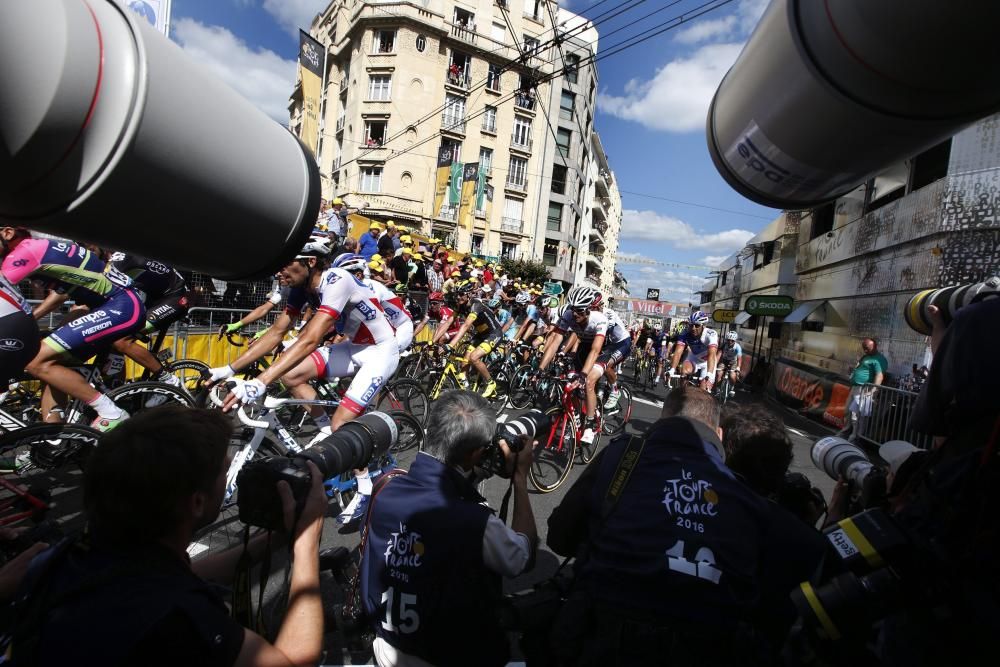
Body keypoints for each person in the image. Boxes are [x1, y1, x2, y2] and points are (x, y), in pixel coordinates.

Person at [8, 405, 327, 666]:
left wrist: (279, 538)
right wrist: (306, 541)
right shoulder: (179, 620)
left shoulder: (65, 555)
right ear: (197, 502)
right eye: (222, 473)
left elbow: (174, 576)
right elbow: (296, 660)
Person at [547, 387, 800, 666]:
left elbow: (560, 538)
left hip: (602, 632)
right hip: (704, 644)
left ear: (661, 421)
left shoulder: (623, 456)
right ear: (719, 436)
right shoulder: (749, 500)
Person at [360, 391, 537, 667]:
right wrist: (520, 478)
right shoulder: (476, 523)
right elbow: (522, 556)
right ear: (474, 454)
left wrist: (471, 476)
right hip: (446, 655)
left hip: (386, 647)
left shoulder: (386, 487)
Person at [0, 228, 145, 431]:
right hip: (108, 305)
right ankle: (52, 439)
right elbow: (59, 296)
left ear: (7, 232)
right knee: (50, 365)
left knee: (37, 361)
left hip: (120, 305)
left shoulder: (25, 252)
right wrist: (30, 321)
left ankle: (112, 413)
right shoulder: (37, 247)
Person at [540, 285, 631, 444]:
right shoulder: (570, 315)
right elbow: (557, 339)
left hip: (616, 345)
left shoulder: (603, 317)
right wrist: (541, 368)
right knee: (571, 379)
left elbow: (596, 350)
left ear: (591, 308)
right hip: (591, 343)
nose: (575, 314)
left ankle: (591, 420)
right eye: (573, 309)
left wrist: (584, 374)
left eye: (580, 310)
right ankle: (576, 416)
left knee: (589, 379)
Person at [445, 281, 505, 398]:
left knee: (474, 357)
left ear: (468, 294)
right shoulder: (460, 306)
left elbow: (466, 325)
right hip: (481, 334)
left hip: (494, 333)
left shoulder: (476, 305)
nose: (458, 297)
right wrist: (433, 340)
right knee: (465, 359)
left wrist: (451, 345)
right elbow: (448, 322)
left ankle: (490, 383)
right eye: (457, 294)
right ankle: (465, 384)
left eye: (461, 294)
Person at [837, 337, 888, 443]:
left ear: (875, 346)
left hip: (864, 389)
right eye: (864, 348)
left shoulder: (879, 359)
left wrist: (873, 390)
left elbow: (879, 375)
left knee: (857, 415)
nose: (865, 350)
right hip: (855, 387)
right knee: (848, 411)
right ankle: (845, 432)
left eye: (867, 348)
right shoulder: (866, 356)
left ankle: (855, 437)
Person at [668, 310, 719, 391]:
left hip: (707, 362)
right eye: (691, 325)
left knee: (703, 390)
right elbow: (678, 352)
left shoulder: (711, 334)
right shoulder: (685, 333)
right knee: (684, 372)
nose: (693, 328)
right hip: (694, 358)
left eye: (697, 325)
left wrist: (709, 374)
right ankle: (684, 394)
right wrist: (672, 369)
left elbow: (712, 354)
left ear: (703, 325)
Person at [715, 330, 743, 396]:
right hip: (724, 361)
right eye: (728, 340)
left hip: (733, 362)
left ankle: (732, 388)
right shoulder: (724, 345)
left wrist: (738, 368)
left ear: (735, 341)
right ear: (726, 340)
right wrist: (714, 364)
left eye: (732, 341)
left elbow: (739, 358)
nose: (730, 342)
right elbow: (719, 354)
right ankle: (718, 389)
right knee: (719, 374)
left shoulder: (737, 347)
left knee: (732, 376)